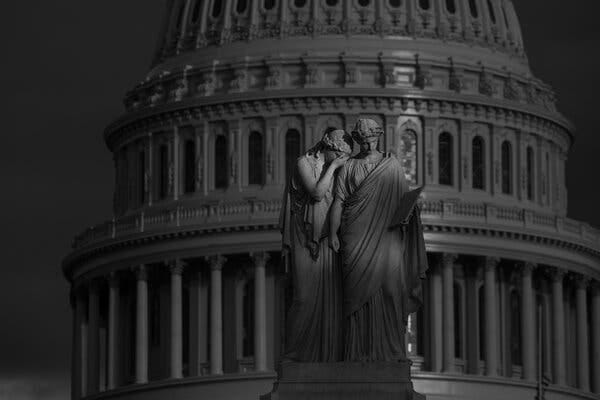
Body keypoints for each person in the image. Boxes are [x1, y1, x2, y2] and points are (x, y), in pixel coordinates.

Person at [329, 119, 428, 362]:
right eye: (362, 141)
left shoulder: (392, 165)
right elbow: (339, 202)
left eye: (370, 139)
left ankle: (390, 351)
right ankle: (357, 352)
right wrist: (332, 233)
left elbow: (403, 201)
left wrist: (412, 210)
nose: (366, 144)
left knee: (390, 291)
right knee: (355, 299)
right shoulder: (349, 166)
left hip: (387, 237)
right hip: (354, 237)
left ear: (378, 136)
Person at [279, 128, 353, 362]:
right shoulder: (304, 162)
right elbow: (317, 193)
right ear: (328, 147)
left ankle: (326, 355)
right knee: (303, 297)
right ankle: (294, 354)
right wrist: (332, 167)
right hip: (305, 238)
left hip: (327, 239)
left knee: (330, 301)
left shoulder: (339, 167)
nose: (343, 160)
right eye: (340, 154)